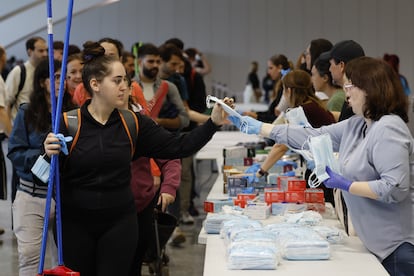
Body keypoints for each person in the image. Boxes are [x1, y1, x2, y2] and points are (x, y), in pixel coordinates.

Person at [42, 41, 229, 276]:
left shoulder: (134, 123)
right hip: (74, 225)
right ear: (95, 84)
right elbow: (41, 179)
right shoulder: (67, 123)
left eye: (126, 81)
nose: (125, 87)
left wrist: (212, 123)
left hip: (120, 223)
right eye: (117, 80)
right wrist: (47, 155)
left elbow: (178, 146)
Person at [228, 56, 414, 276]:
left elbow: (394, 188)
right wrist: (262, 128)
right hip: (376, 243)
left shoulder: (389, 128)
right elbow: (313, 136)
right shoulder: (358, 124)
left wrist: (346, 184)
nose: (346, 93)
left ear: (370, 88)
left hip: (397, 247)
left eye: (350, 85)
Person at [7, 58, 75, 276]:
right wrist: (43, 155)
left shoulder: (74, 114)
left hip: (67, 197)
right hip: (32, 195)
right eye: (55, 77)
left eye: (65, 76)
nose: (62, 82)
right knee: (30, 260)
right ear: (42, 81)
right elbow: (15, 153)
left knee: (64, 261)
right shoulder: (27, 113)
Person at [256, 69, 336, 204]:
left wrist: (261, 172)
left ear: (289, 91)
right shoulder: (314, 105)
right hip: (327, 170)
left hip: (323, 174)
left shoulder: (302, 112)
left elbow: (281, 146)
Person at [5, 36, 48, 121]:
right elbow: (7, 103)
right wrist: (10, 131)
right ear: (29, 52)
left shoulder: (47, 72)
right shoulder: (19, 71)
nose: (45, 54)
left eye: (46, 50)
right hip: (21, 126)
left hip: (40, 125)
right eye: (41, 51)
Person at [323, 40, 365, 121]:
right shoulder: (360, 96)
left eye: (331, 64)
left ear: (342, 65)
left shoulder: (354, 101)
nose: (329, 69)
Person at [243, 54, 291, 123]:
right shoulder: (279, 86)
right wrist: (255, 114)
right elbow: (271, 113)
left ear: (280, 68)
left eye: (271, 68)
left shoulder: (285, 88)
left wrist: (256, 116)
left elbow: (277, 117)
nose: (268, 72)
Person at [311, 57, 345, 121]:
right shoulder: (340, 95)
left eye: (313, 75)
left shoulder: (335, 100)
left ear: (325, 78)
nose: (311, 80)